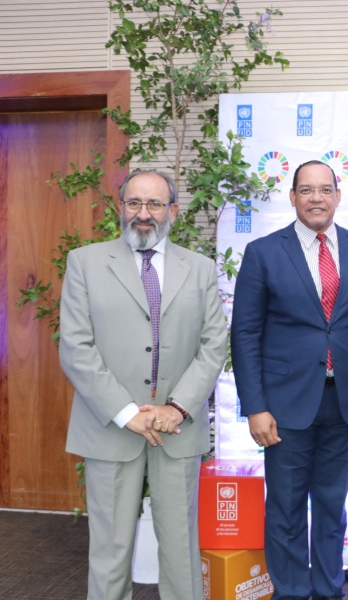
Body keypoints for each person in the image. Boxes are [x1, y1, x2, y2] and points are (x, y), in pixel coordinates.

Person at [59, 170, 228, 600]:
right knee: (110, 551)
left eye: (154, 204)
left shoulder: (201, 268)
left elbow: (213, 345)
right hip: (111, 427)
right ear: (121, 207)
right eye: (134, 202)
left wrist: (178, 407)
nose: (143, 213)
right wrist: (126, 412)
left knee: (181, 551)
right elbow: (76, 348)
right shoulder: (85, 262)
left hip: (177, 426)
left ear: (173, 210)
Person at [231, 160, 348, 600]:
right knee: (285, 509)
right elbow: (245, 333)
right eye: (306, 190)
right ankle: (292, 593)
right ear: (293, 197)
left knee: (333, 507)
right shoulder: (263, 252)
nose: (316, 197)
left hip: (347, 400)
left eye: (324, 189)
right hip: (285, 404)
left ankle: (329, 590)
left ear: (338, 195)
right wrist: (255, 406)